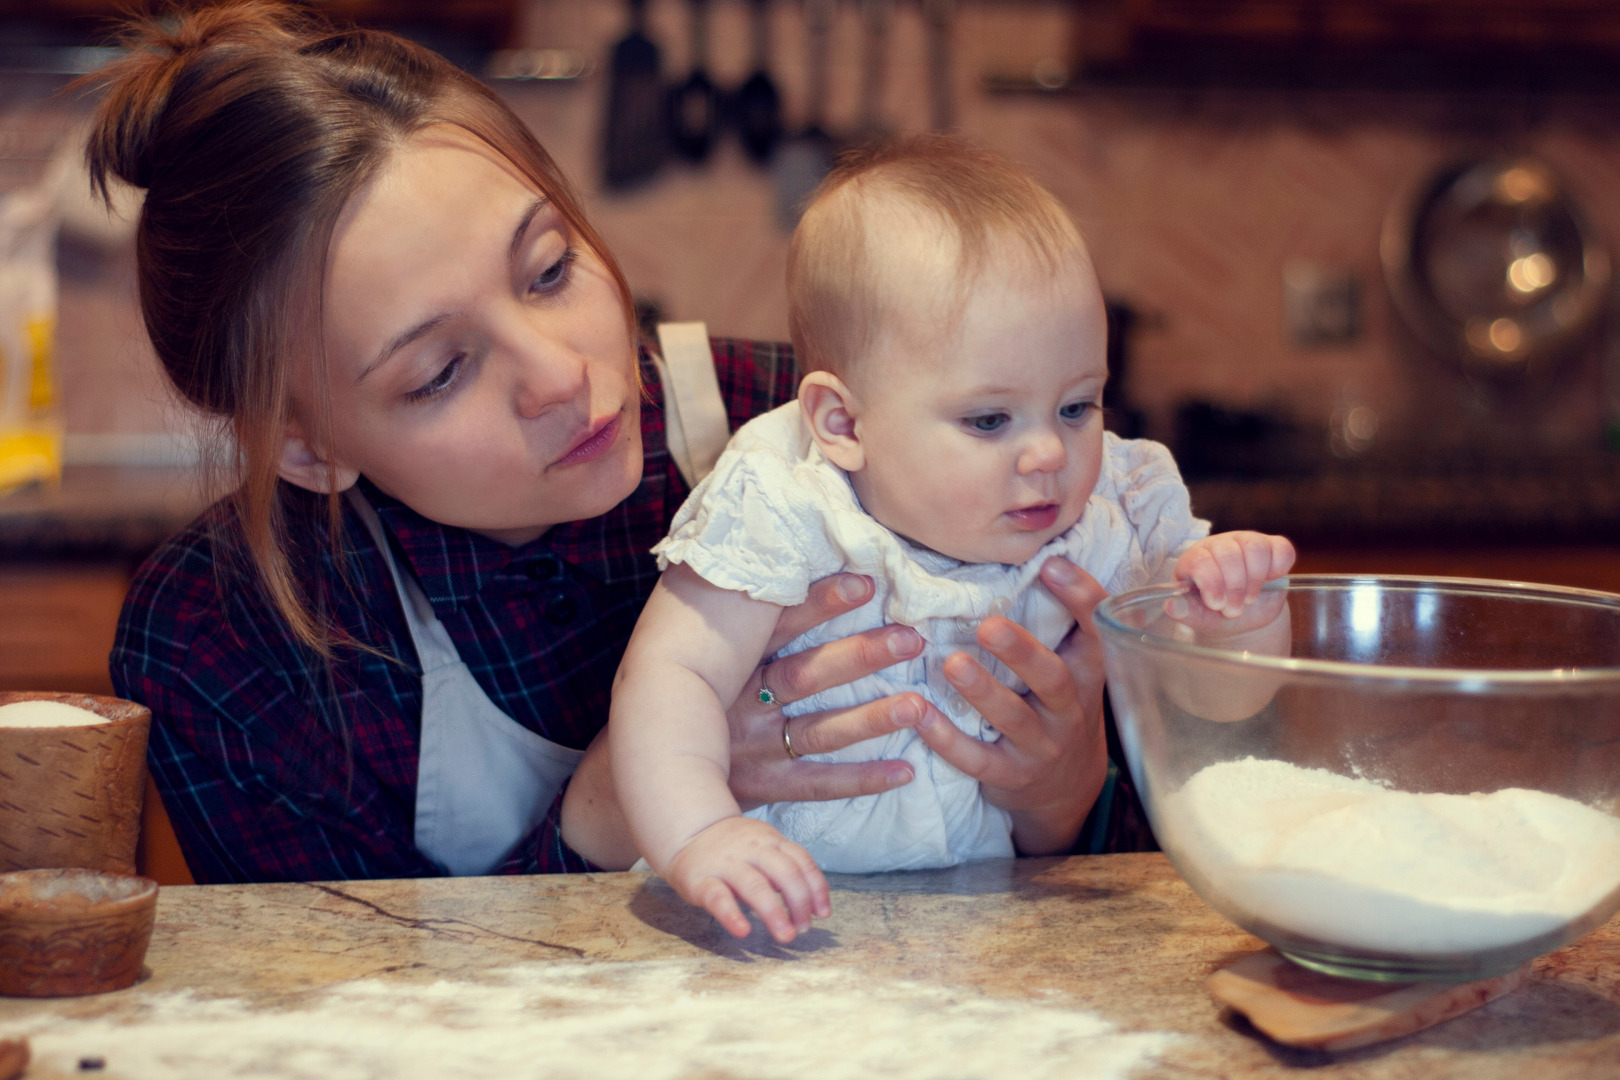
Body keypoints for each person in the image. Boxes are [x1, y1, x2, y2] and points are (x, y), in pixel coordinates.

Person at [97, 4, 1113, 885]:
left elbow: (1157, 886)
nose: (561, 375)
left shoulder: (809, 433)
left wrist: (1066, 792)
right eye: (440, 372)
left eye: (548, 270)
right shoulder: (229, 637)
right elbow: (330, 1020)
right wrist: (607, 809)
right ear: (311, 449)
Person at [609, 137, 1296, 942]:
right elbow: (668, 677)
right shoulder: (786, 500)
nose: (1049, 453)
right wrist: (701, 834)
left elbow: (1222, 699)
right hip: (768, 916)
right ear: (843, 424)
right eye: (989, 420)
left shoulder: (1113, 504)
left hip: (983, 930)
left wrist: (1232, 613)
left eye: (1077, 406)